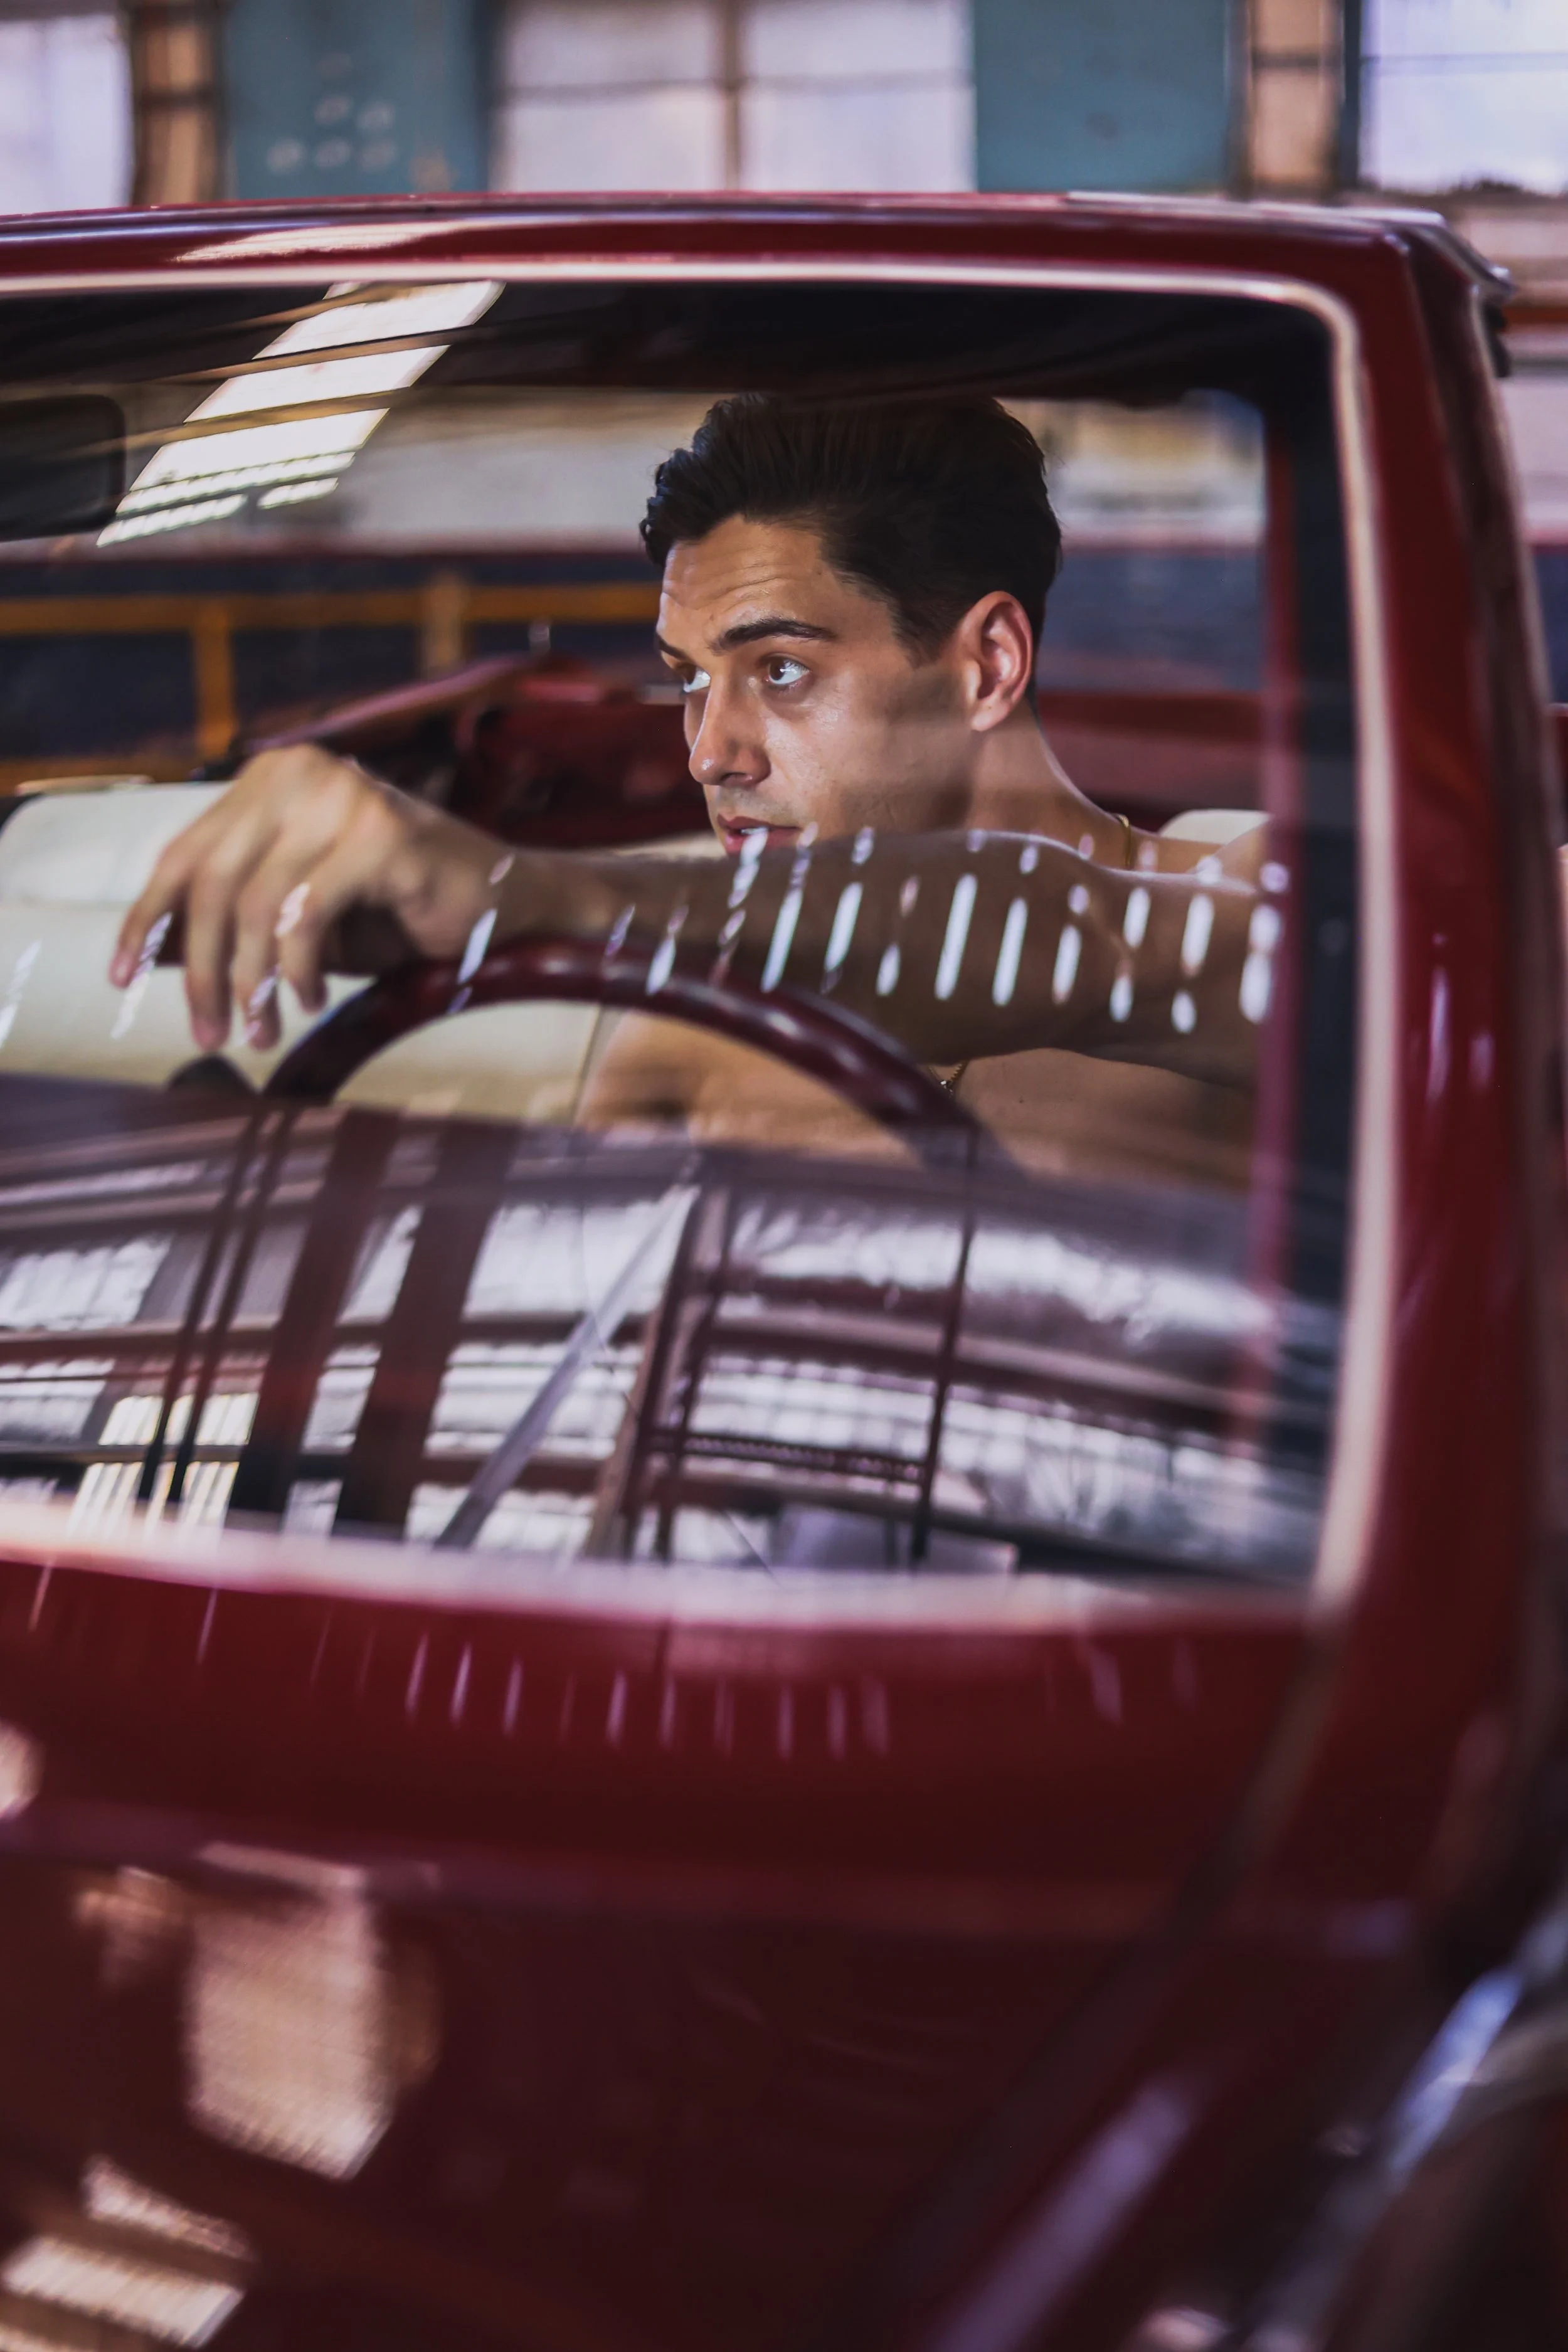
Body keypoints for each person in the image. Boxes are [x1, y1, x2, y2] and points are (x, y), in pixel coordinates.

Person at [110, 395, 1275, 1173]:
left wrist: (540, 896)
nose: (710, 753)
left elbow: (1098, 944)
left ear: (987, 663)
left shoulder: (1255, 912)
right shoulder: (684, 1055)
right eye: (687, 680)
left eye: (779, 670)